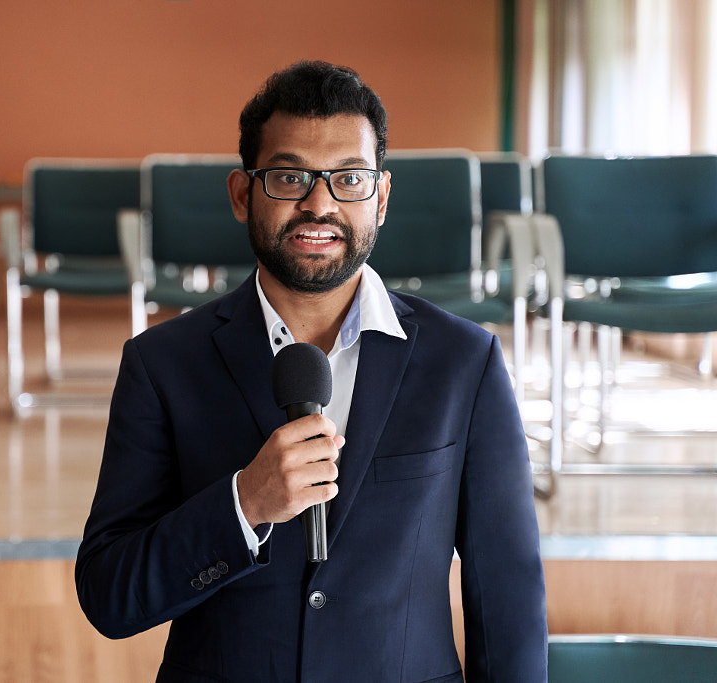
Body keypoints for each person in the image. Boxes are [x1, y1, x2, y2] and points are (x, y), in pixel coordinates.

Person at [76, 60, 547, 682]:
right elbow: (111, 594)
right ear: (244, 194)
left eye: (348, 178)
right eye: (290, 176)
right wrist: (244, 506)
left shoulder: (464, 363)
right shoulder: (162, 364)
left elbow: (507, 601)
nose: (319, 203)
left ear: (379, 197)